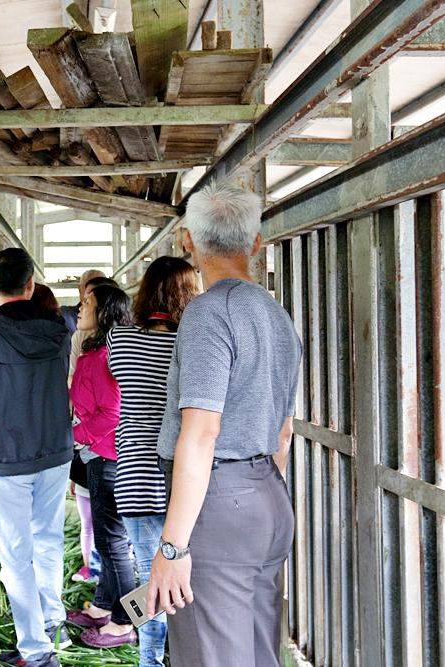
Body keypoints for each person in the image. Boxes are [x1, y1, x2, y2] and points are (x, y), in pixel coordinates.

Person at [146, 181, 302, 667]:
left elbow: (201, 433)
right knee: (259, 650)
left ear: (187, 242)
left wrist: (171, 549)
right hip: (269, 499)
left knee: (212, 655)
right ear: (256, 244)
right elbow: (284, 432)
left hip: (218, 505)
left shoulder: (209, 315)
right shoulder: (278, 316)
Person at [0, 248, 74, 667]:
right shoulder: (59, 327)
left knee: (16, 553)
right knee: (48, 540)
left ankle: (36, 649)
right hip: (56, 449)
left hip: (10, 454)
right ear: (31, 283)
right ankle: (53, 629)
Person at [106, 256, 200, 667]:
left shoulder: (120, 339)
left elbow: (115, 377)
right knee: (184, 580)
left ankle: (150, 660)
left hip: (134, 478)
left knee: (151, 580)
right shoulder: (194, 344)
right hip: (186, 480)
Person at [66, 284, 138, 649]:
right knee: (111, 541)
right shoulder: (96, 352)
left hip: (108, 457)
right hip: (99, 455)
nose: (80, 307)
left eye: (88, 304)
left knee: (113, 544)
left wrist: (74, 435)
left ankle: (126, 623)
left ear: (104, 312)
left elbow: (112, 412)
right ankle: (103, 606)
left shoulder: (105, 357)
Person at [60, 269, 105, 333]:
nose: (95, 293)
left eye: (101, 288)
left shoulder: (115, 316)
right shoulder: (65, 315)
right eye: (90, 289)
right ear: (79, 289)